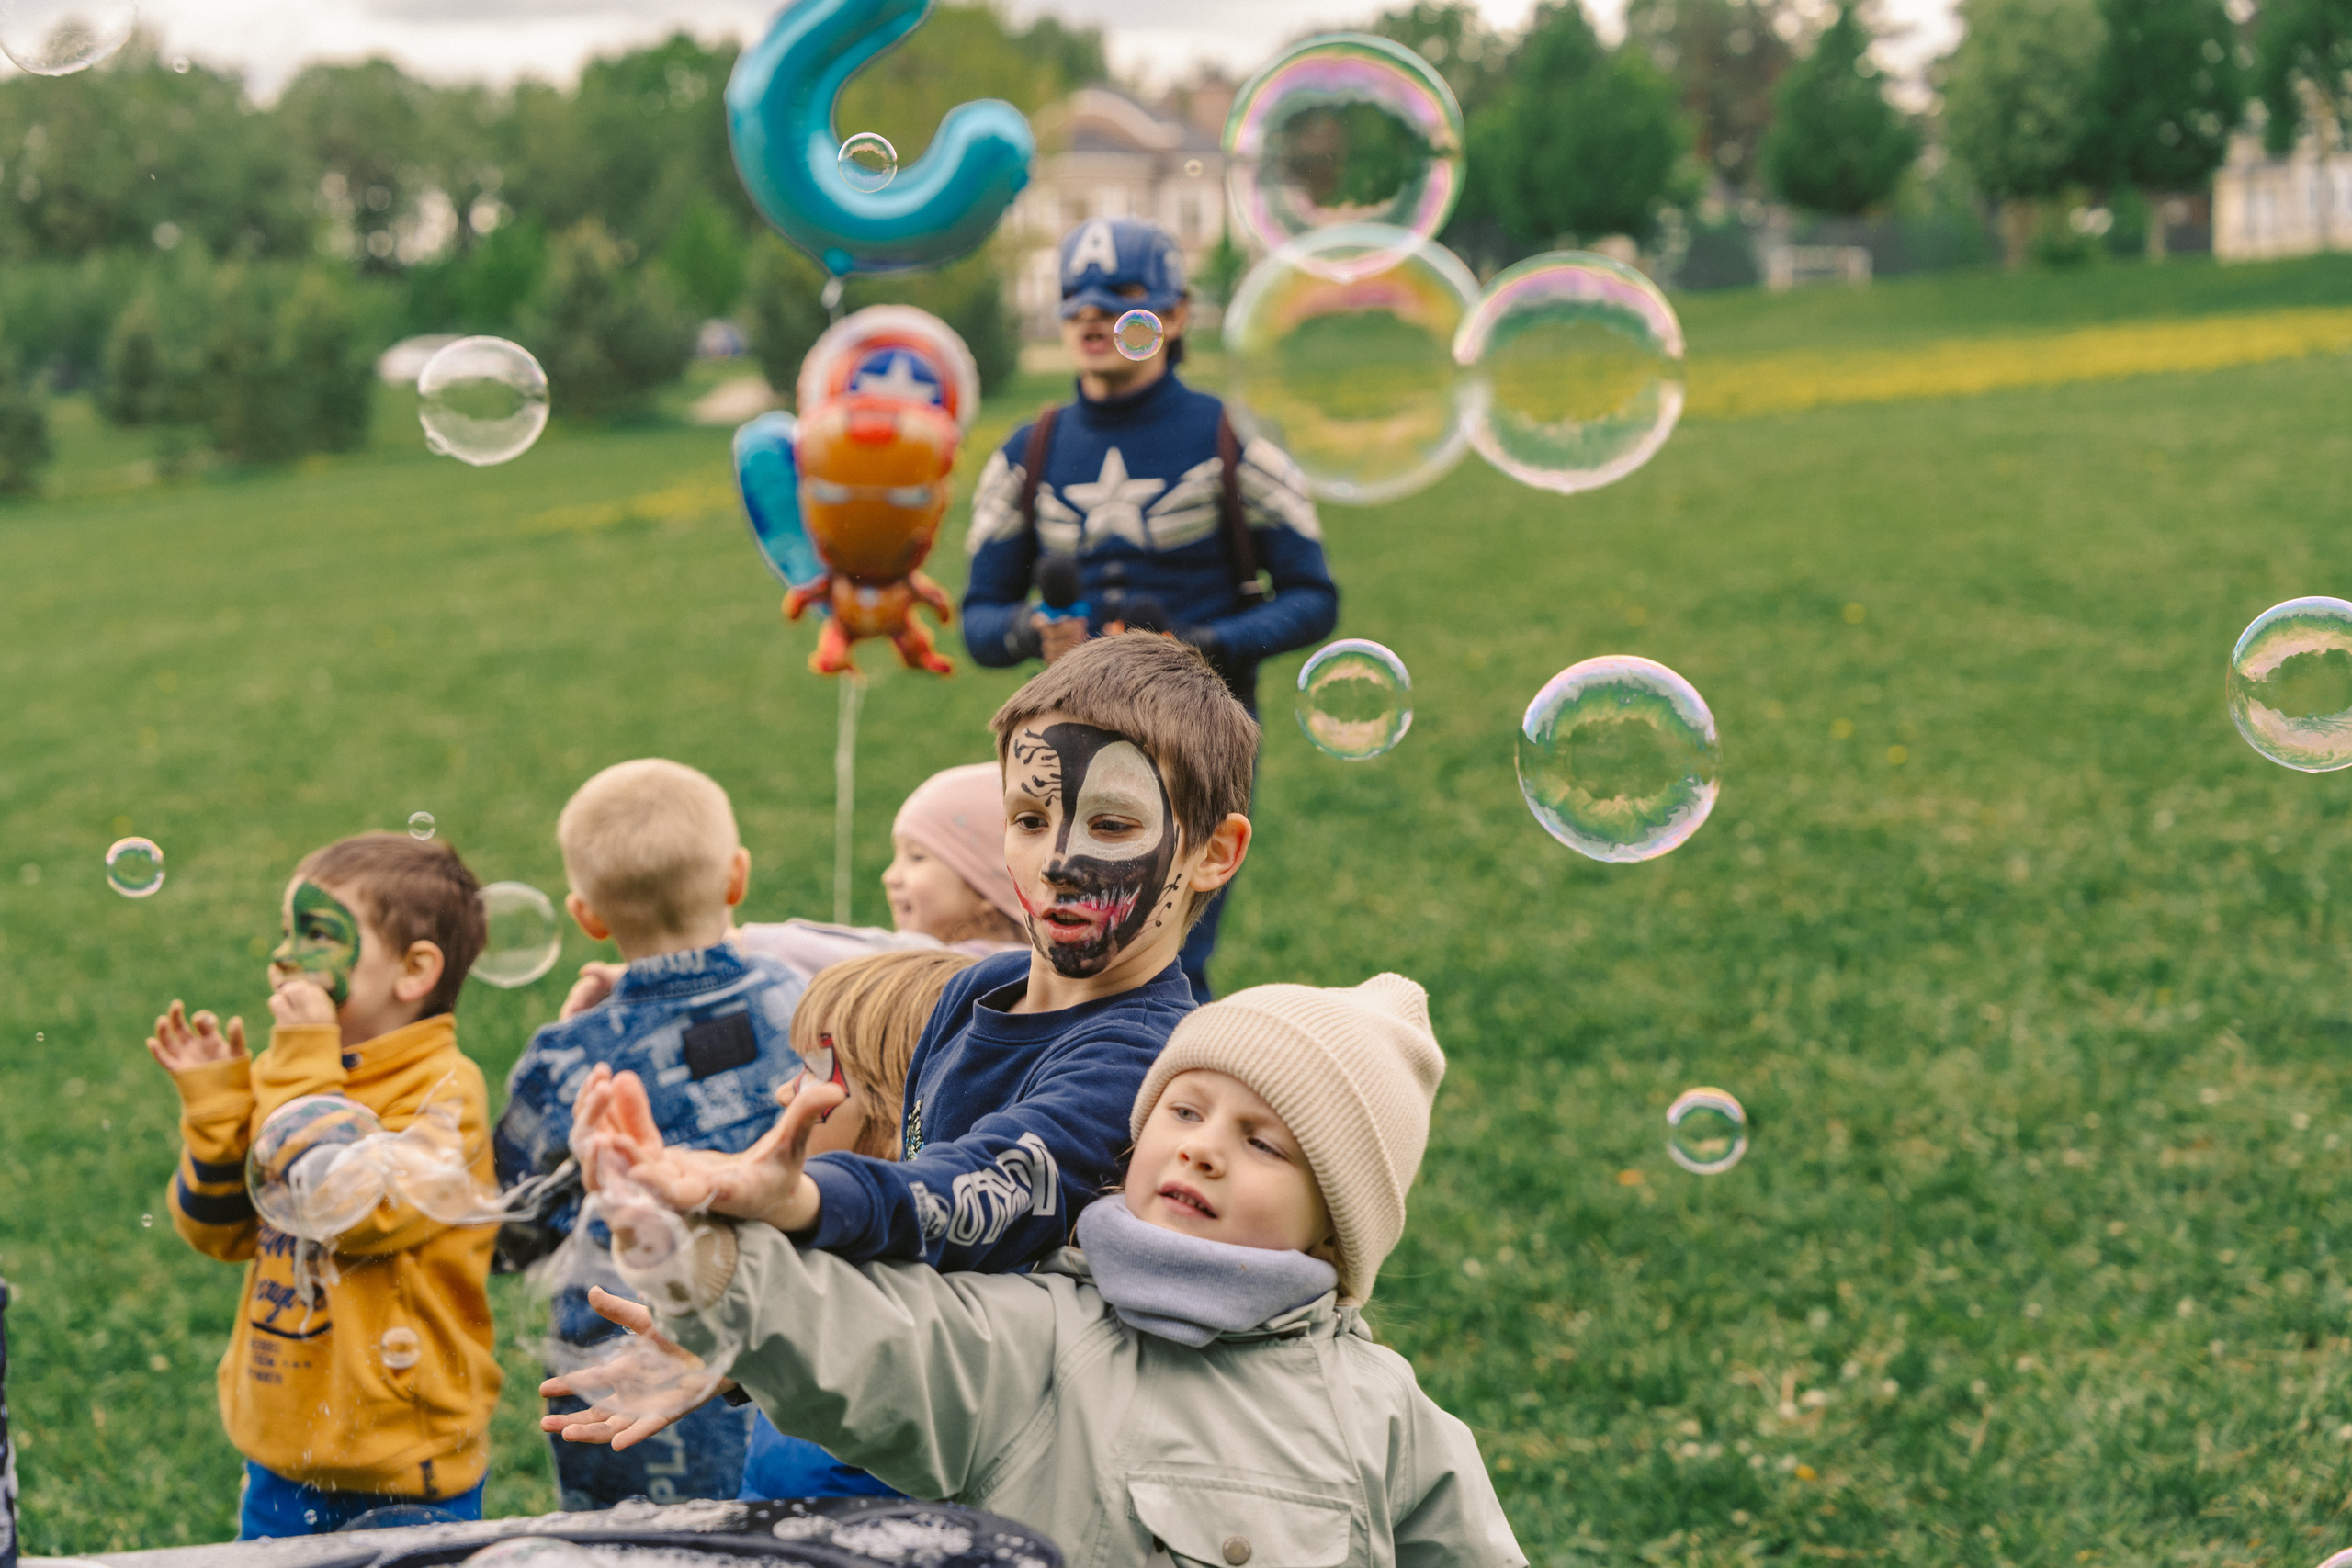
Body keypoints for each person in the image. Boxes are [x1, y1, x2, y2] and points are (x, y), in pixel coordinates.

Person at [557, 974, 1526, 1567]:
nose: (1202, 1148)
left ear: (1334, 1234)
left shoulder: (1390, 1417)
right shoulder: (1036, 1339)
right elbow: (854, 1335)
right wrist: (684, 1240)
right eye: (1184, 1111)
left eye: (1263, 1142)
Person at [545, 633, 1254, 1406]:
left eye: (1111, 825)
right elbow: (908, 1261)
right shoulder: (979, 986)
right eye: (1027, 817)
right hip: (923, 1406)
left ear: (1214, 852)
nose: (1057, 861)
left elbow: (960, 1192)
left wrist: (801, 1198)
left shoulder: (1143, 1060)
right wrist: (749, 1347)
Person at [961, 215, 1340, 999]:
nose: (1092, 311)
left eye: (1123, 294)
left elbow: (1312, 598)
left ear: (1175, 313)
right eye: (1075, 295)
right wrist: (1033, 630)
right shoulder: (1027, 452)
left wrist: (1201, 641)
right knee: (1062, 958)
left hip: (1195, 741)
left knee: (1166, 960)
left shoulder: (1234, 439)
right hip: (1060, 751)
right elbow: (979, 621)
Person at [149, 833, 497, 1538]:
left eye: (316, 934)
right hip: (282, 1453)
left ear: (414, 970)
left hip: (405, 1460)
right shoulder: (297, 1075)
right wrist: (218, 1111)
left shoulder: (443, 1092)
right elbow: (218, 1232)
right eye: (286, 932)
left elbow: (353, 1209)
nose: (284, 957)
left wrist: (300, 1066)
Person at [492, 759, 807, 1508]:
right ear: (736, 877)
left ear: (587, 916)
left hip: (622, 1363)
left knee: (633, 1543)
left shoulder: (567, 1058)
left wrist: (572, 1046)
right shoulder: (803, 1001)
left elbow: (511, 1226)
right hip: (786, 1336)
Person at [723, 947, 976, 1500]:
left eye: (815, 1072)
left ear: (896, 1121)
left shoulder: (933, 1304)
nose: (785, 1091)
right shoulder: (819, 1251)